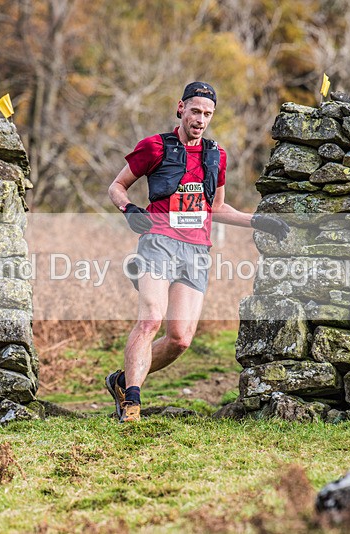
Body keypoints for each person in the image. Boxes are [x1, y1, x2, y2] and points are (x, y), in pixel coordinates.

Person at [105, 81, 290, 422]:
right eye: (195, 111)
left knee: (179, 339)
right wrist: (130, 210)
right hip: (158, 243)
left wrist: (258, 221)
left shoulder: (216, 156)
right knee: (151, 319)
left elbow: (217, 208)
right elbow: (117, 186)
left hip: (196, 251)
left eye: (207, 114)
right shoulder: (154, 147)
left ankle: (120, 380)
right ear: (181, 109)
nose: (200, 119)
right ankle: (132, 402)